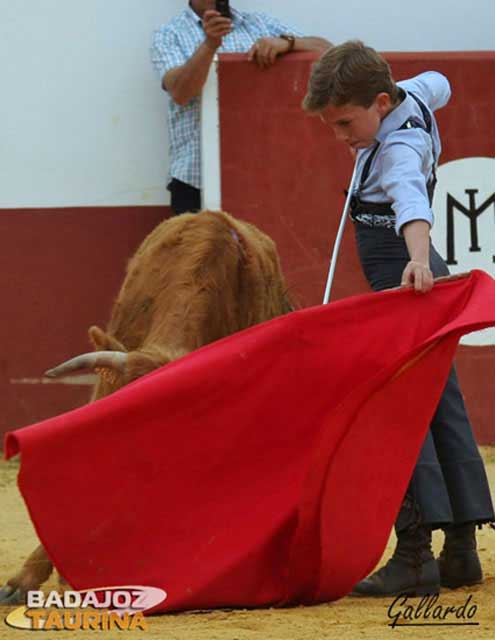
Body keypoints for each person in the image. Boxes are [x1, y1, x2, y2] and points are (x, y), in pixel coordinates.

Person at [303, 40, 494, 597]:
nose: (342, 136)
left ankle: (413, 555)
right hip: (421, 273)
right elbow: (441, 83)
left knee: (395, 409)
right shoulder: (414, 95)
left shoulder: (396, 152)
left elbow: (411, 202)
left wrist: (415, 260)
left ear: (380, 103)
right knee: (440, 399)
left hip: (405, 275)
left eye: (345, 122)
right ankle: (461, 551)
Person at [151, 1, 330, 215]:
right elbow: (180, 92)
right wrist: (209, 45)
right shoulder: (169, 34)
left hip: (257, 178)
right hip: (195, 180)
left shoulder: (259, 24)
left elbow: (329, 52)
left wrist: (287, 43)